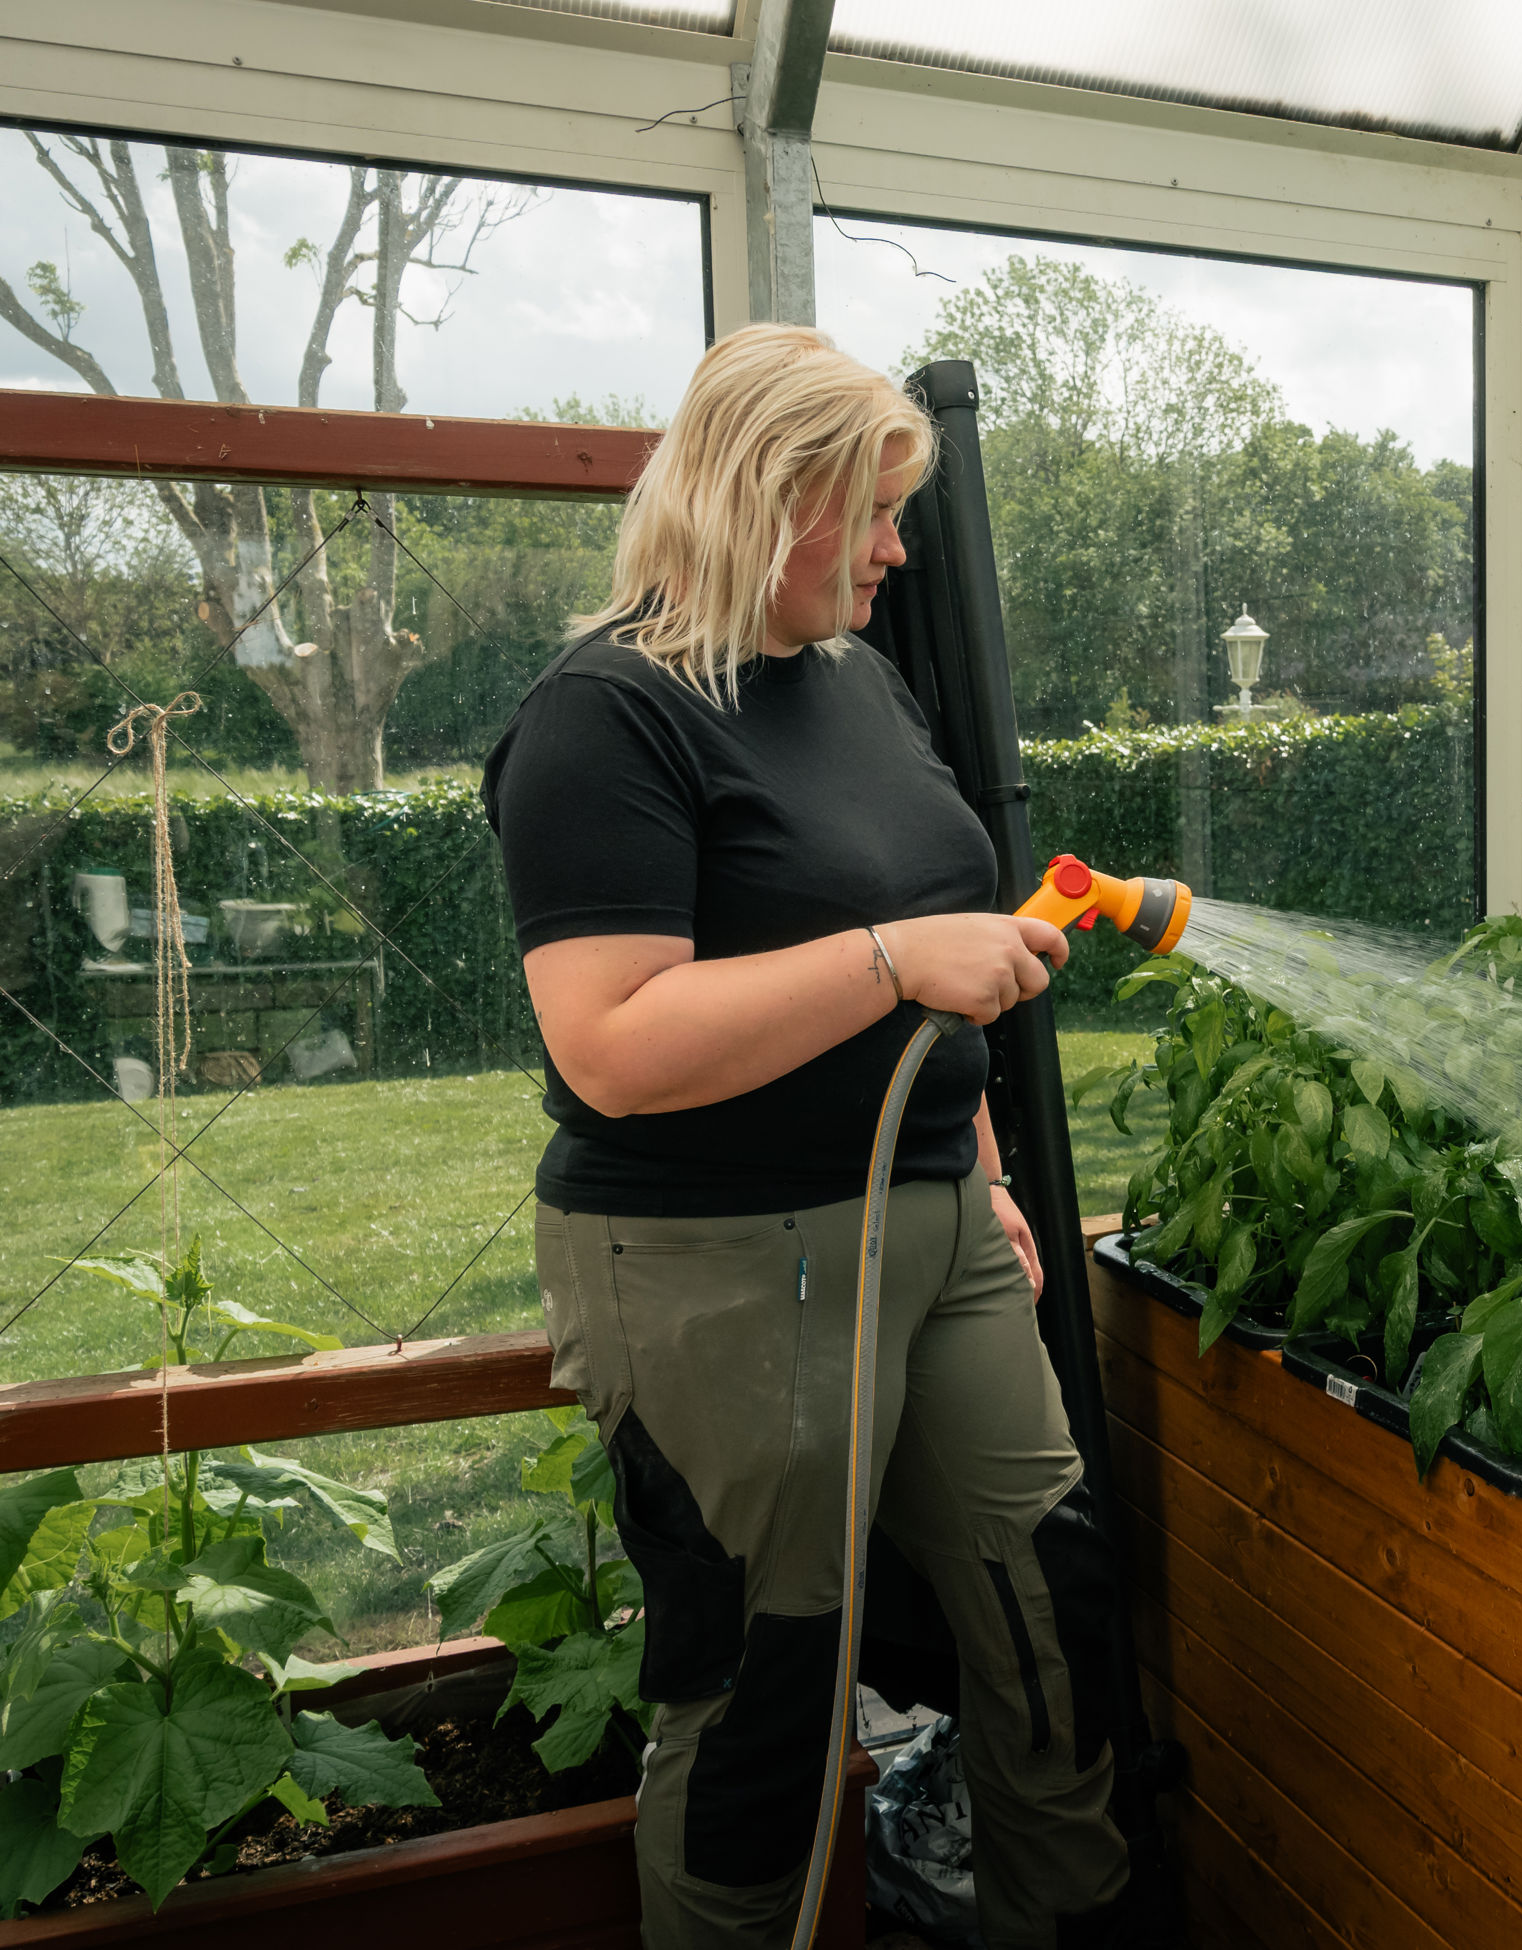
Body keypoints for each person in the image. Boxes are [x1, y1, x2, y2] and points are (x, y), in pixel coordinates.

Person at [482, 323, 1131, 1949]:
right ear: (766, 497)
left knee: (1046, 1591)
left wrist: (976, 1167)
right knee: (768, 1684)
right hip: (718, 1263)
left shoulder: (856, 682)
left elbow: (924, 928)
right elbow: (614, 1044)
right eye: (874, 512)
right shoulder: (602, 715)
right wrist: (897, 961)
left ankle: (1069, 1921)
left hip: (939, 1230)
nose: (902, 548)